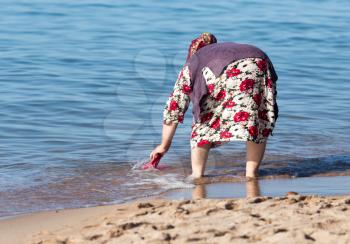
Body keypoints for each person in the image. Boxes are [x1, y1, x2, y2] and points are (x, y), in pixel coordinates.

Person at [150, 32, 278, 179]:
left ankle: (197, 175)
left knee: (204, 122)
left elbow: (175, 107)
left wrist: (164, 145)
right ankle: (251, 174)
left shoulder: (193, 62)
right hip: (260, 61)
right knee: (257, 119)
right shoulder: (222, 49)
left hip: (230, 68)